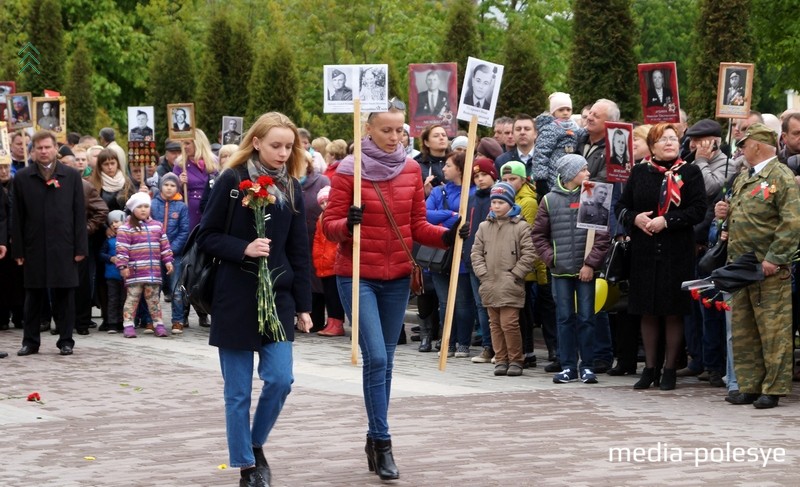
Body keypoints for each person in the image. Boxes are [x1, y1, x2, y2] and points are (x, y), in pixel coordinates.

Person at [322, 98, 456, 481]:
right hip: (357, 274)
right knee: (377, 358)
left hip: (398, 275)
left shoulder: (411, 169)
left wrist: (449, 235)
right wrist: (348, 223)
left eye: (400, 130)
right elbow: (328, 226)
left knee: (388, 361)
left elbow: (417, 227)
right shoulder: (349, 171)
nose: (395, 137)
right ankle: (383, 441)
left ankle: (373, 436)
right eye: (387, 130)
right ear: (368, 130)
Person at [197, 111, 313, 487]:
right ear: (257, 142)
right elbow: (207, 235)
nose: (282, 153)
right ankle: (247, 465)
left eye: (288, 146)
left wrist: (305, 305)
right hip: (234, 295)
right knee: (237, 392)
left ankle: (255, 441)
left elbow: (299, 251)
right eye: (275, 145)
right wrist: (243, 248)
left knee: (281, 378)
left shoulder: (293, 187)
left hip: (277, 298)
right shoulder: (232, 180)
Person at [615, 123, 707, 391]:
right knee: (647, 310)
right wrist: (636, 218)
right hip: (644, 250)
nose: (669, 143)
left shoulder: (690, 172)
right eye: (663, 139)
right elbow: (622, 206)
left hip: (676, 250)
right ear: (652, 146)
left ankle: (669, 370)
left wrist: (667, 221)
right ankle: (650, 368)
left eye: (673, 138)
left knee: (672, 310)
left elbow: (698, 209)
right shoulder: (640, 172)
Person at [723, 124, 800, 409]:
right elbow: (744, 213)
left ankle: (774, 388)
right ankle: (749, 385)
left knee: (773, 330)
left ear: (758, 145)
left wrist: (775, 258)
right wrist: (725, 211)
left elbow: (791, 223)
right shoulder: (744, 177)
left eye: (744, 144)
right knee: (744, 330)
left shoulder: (781, 176)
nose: (741, 149)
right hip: (740, 267)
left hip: (768, 268)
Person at [532, 155, 610, 384]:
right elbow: (538, 235)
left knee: (586, 318)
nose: (588, 173)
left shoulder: (594, 195)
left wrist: (590, 264)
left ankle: (587, 365)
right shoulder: (548, 200)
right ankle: (567, 366)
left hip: (586, 271)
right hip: (560, 272)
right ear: (570, 174)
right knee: (564, 318)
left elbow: (603, 235)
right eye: (583, 170)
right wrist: (551, 258)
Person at [12, 130, 88, 356]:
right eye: (39, 148)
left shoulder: (71, 176)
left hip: (64, 245)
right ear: (32, 151)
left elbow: (78, 214)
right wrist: (18, 248)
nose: (44, 151)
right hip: (34, 246)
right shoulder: (23, 178)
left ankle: (66, 340)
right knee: (33, 296)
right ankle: (30, 341)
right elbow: (17, 216)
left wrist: (80, 247)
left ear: (56, 149)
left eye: (48, 147)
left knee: (65, 295)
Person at [471, 181, 536, 376]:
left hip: (510, 284)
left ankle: (516, 359)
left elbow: (530, 254)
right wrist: (483, 274)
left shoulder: (521, 226)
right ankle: (501, 359)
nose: (496, 206)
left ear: (510, 203)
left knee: (510, 323)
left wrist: (515, 274)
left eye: (501, 202)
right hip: (490, 282)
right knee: (495, 324)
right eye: (494, 202)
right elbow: (476, 253)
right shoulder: (484, 226)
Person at [425, 151, 476, 358]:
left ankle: (463, 342)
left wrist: (448, 220)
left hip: (463, 253)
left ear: (460, 168)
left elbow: (470, 219)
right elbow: (427, 215)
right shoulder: (439, 192)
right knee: (445, 302)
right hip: (440, 253)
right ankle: (448, 341)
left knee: (464, 302)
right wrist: (452, 215)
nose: (443, 169)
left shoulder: (473, 192)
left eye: (448, 165)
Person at [175, 129, 218, 328]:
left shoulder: (212, 164)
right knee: (188, 264)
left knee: (204, 264)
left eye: (188, 143)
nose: (185, 148)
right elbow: (170, 189)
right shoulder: (180, 165)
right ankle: (182, 310)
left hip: (208, 211)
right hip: (189, 213)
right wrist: (178, 182)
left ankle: (203, 310)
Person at [115, 192, 174, 338]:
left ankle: (158, 324)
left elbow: (165, 247)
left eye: (146, 206)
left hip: (152, 271)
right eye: (139, 207)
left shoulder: (157, 226)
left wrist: (168, 261)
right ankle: (128, 324)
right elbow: (122, 249)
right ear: (133, 209)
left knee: (154, 299)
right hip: (134, 272)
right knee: (132, 299)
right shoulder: (126, 228)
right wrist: (123, 266)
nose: (143, 209)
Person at [461, 157, 497, 363]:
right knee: (481, 304)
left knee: (495, 304)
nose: (480, 179)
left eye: (484, 175)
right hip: (473, 260)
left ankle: (499, 346)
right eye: (476, 176)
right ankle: (487, 346)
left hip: (493, 260)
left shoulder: (498, 197)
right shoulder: (472, 200)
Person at [150, 172, 189, 334]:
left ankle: (177, 320)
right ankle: (152, 320)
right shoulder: (152, 204)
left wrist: (170, 250)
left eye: (173, 185)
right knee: (153, 289)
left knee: (176, 289)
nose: (169, 188)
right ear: (160, 186)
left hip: (174, 255)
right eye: (166, 184)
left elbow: (184, 231)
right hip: (153, 254)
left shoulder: (181, 207)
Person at [299, 151, 331, 333]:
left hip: (317, 237)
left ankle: (317, 319)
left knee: (317, 279)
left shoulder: (321, 181)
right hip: (297, 237)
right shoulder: (287, 181)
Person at [533, 92, 586, 195]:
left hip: (570, 169)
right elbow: (541, 153)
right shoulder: (550, 128)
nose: (565, 113)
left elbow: (581, 135)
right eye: (561, 110)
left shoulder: (574, 126)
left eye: (568, 109)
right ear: (553, 112)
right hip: (554, 170)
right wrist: (541, 178)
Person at [312, 186, 346, 337]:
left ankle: (337, 323)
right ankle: (331, 321)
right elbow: (318, 241)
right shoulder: (320, 218)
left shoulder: (336, 218)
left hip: (333, 262)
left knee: (335, 296)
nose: (325, 205)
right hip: (323, 262)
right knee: (329, 296)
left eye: (327, 201)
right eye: (322, 202)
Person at [101, 210, 127, 334]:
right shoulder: (108, 240)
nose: (114, 225)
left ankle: (122, 322)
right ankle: (112, 323)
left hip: (125, 275)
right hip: (111, 275)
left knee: (124, 299)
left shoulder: (128, 238)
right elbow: (101, 254)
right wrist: (110, 258)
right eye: (112, 223)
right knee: (112, 299)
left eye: (117, 222)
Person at [415, 124, 450, 197]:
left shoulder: (456, 162)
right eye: (436, 136)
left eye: (444, 135)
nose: (441, 138)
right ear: (426, 143)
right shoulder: (418, 165)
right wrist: (424, 193)